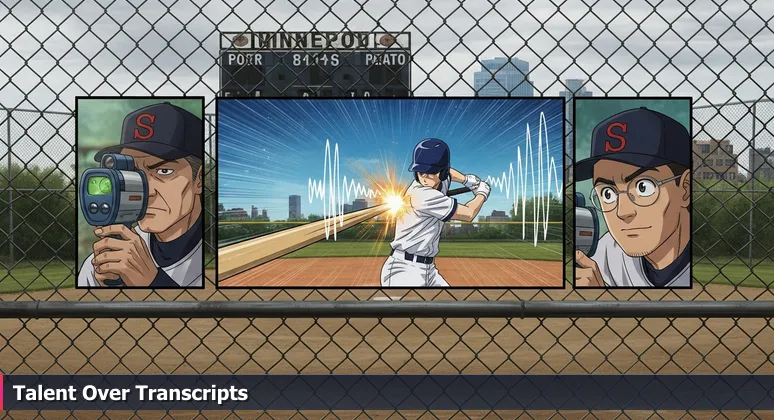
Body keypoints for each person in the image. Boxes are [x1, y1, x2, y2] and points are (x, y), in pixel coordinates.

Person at [77, 102, 204, 288]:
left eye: (164, 171)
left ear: (199, 178)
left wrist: (154, 282)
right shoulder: (101, 262)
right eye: (134, 174)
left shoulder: (217, 257)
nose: (147, 191)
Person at [574, 106, 691, 288]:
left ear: (685, 189)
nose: (623, 212)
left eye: (643, 187)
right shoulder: (606, 254)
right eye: (608, 193)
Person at [380, 138, 491, 287]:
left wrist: (466, 180)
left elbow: (450, 173)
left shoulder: (442, 179)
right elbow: (469, 214)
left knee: (452, 308)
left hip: (429, 270)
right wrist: (482, 193)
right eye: (421, 171)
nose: (425, 177)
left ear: (442, 172)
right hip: (403, 270)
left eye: (430, 172)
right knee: (412, 310)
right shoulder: (422, 195)